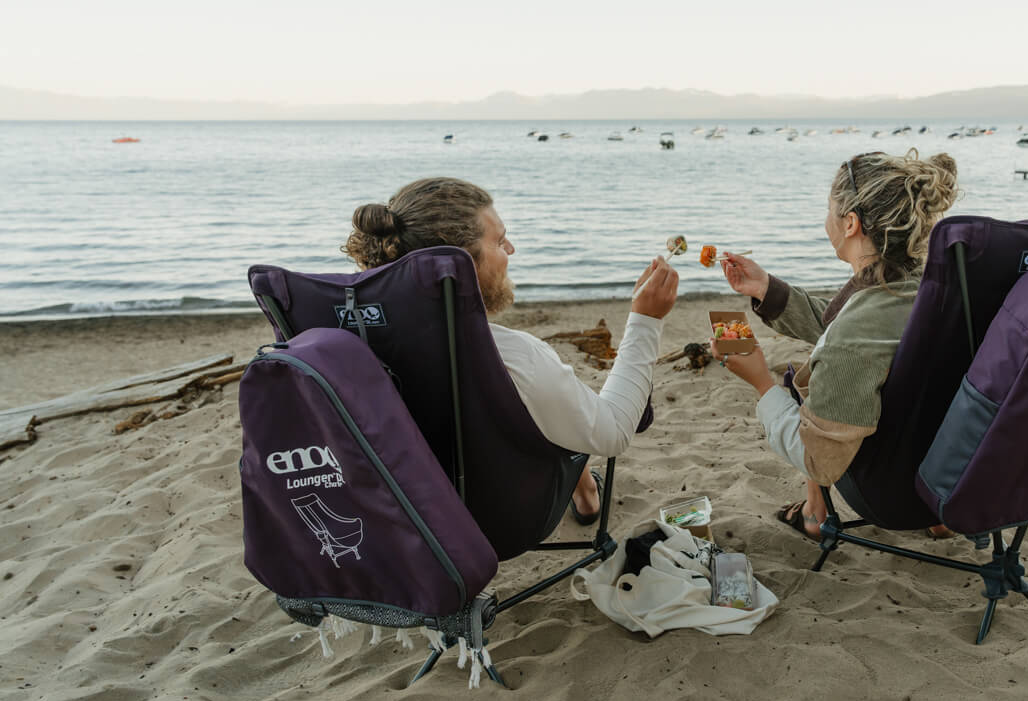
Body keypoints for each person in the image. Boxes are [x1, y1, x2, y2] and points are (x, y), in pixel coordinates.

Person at [343, 177, 678, 523]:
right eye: (500, 242)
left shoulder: (353, 343)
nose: (512, 250)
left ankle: (583, 487)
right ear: (460, 266)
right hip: (499, 519)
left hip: (396, 514)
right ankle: (586, 491)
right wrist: (645, 320)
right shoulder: (511, 358)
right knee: (563, 407)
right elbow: (614, 433)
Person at [713, 149, 959, 539]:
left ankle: (815, 512)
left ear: (850, 224)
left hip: (893, 497)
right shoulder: (941, 290)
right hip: (961, 478)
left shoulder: (857, 332)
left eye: (829, 209)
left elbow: (820, 461)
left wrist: (761, 382)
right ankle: (941, 522)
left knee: (802, 380)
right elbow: (855, 333)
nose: (824, 219)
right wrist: (767, 289)